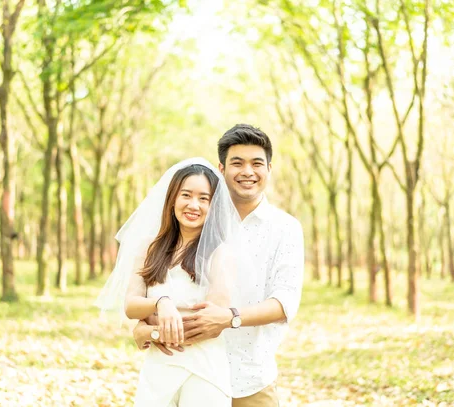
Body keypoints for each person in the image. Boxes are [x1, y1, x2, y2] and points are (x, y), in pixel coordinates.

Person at [134, 124, 305, 406]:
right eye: (237, 163)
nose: (247, 172)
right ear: (221, 169)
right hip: (186, 371)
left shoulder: (285, 228)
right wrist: (146, 329)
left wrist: (230, 317)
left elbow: (285, 303)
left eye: (256, 163)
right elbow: (164, 286)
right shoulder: (194, 219)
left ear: (269, 169)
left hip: (249, 378)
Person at [97, 159, 244, 406]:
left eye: (204, 198)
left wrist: (150, 331)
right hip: (158, 367)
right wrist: (161, 304)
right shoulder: (148, 247)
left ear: (214, 205)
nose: (193, 205)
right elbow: (131, 305)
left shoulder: (220, 253)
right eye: (186, 195)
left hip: (203, 368)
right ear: (173, 199)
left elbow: (208, 323)